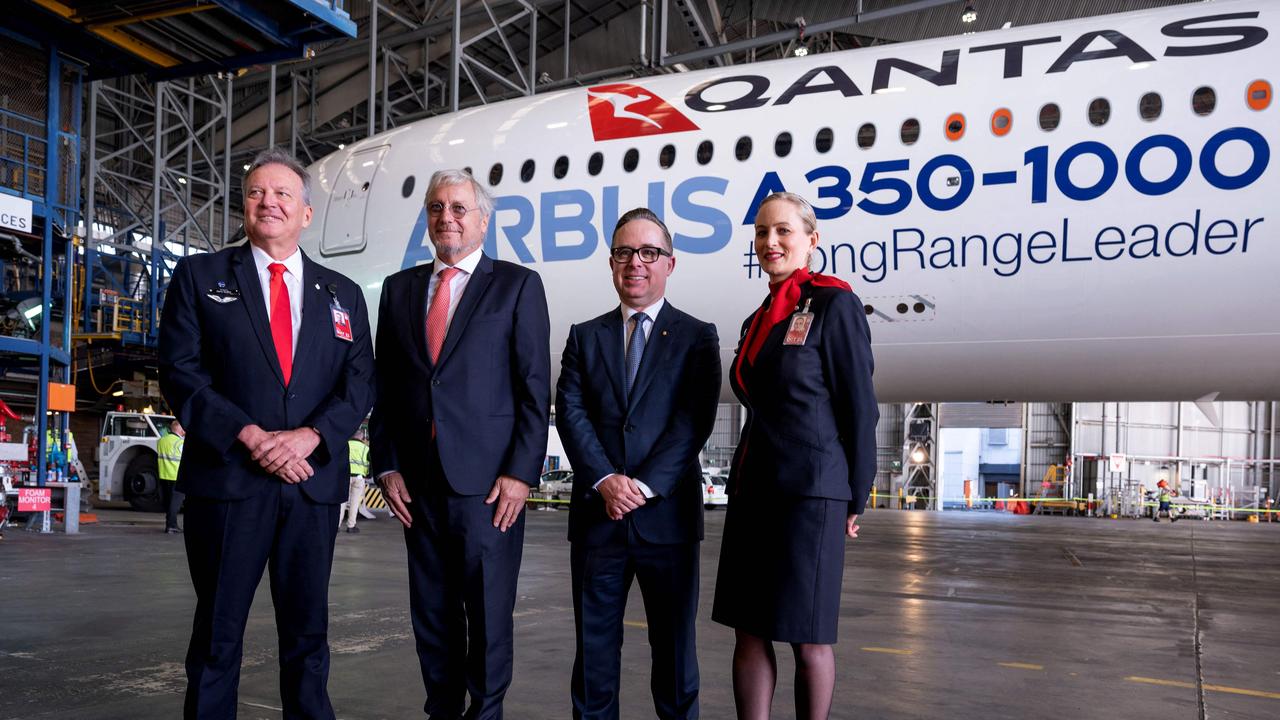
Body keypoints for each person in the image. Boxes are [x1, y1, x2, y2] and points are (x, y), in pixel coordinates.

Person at [158, 147, 375, 720]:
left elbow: (358, 387)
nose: (269, 202)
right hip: (229, 483)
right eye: (257, 192)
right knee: (218, 636)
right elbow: (181, 374)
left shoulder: (343, 294)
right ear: (245, 206)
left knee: (308, 638)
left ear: (307, 214)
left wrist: (307, 439)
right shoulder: (200, 277)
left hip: (310, 486)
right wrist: (250, 436)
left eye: (283, 193)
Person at [369, 169, 550, 720]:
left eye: (459, 208)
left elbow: (534, 388)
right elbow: (387, 388)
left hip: (489, 488)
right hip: (417, 486)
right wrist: (386, 464)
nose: (447, 217)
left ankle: (487, 712)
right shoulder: (400, 291)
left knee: (489, 614)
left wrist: (521, 473)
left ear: (483, 220)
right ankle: (441, 711)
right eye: (436, 208)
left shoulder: (517, 285)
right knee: (432, 613)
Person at [711, 192, 879, 720]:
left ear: (812, 239)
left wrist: (856, 495)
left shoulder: (835, 304)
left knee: (808, 638)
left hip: (811, 493)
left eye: (783, 231)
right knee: (750, 631)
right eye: (762, 232)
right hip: (753, 487)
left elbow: (860, 408)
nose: (770, 242)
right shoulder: (757, 319)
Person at [555, 208, 720, 720]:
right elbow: (572, 412)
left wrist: (642, 487)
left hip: (665, 523)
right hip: (598, 522)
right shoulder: (585, 336)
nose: (636, 263)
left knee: (674, 661)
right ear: (611, 263)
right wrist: (605, 481)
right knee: (594, 662)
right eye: (625, 252)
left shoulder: (697, 336)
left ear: (671, 263)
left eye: (649, 253)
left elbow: (693, 423)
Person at [157, 419, 186, 534]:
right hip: (176, 476)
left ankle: (169, 525)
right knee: (175, 504)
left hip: (164, 475)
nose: (184, 430)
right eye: (183, 428)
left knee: (169, 502)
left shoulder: (161, 440)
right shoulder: (180, 443)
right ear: (178, 428)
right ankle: (172, 526)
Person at [341, 430, 370, 533]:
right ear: (362, 438)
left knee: (341, 501)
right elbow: (370, 464)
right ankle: (351, 526)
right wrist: (367, 475)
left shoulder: (345, 445)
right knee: (354, 502)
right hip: (359, 478)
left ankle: (336, 526)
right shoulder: (366, 448)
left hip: (344, 477)